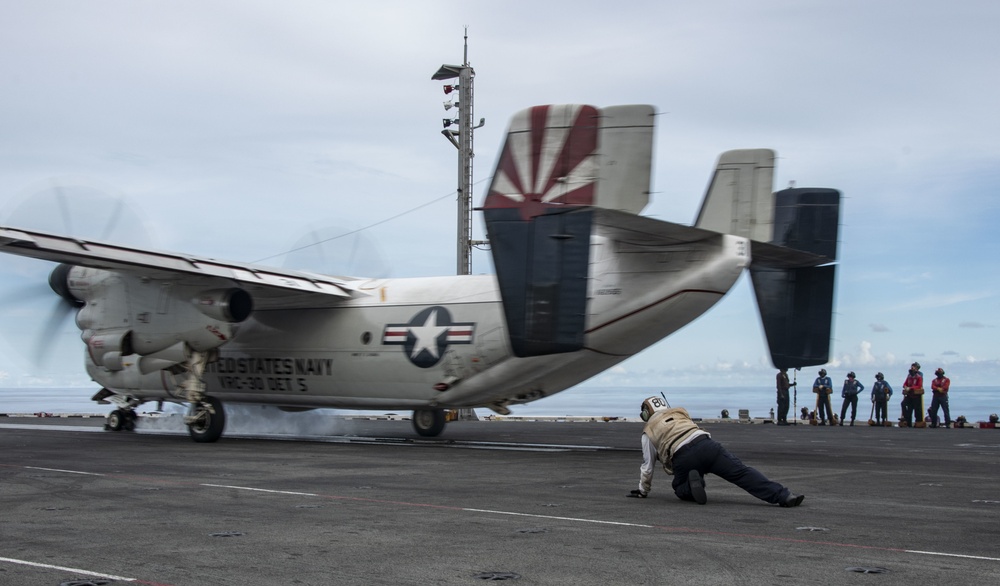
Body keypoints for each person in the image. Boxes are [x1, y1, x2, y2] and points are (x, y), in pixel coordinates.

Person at [627, 396, 804, 507]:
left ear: (646, 412)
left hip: (682, 456)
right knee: (742, 473)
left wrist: (643, 490)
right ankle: (784, 495)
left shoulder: (648, 431)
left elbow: (647, 465)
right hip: (706, 444)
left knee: (679, 488)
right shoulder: (680, 413)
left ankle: (692, 484)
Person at [901, 362, 924, 427]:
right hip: (909, 395)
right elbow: (905, 383)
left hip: (916, 395)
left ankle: (918, 422)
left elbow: (919, 386)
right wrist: (905, 387)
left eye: (913, 367)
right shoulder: (909, 376)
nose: (911, 368)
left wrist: (910, 388)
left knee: (917, 409)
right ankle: (907, 420)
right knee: (904, 405)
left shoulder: (919, 376)